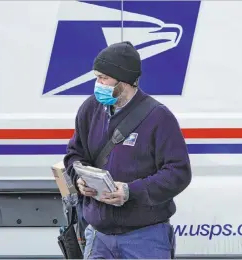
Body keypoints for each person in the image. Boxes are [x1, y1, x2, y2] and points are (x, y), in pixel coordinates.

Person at [63, 41, 192, 259]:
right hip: (98, 236)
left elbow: (178, 172)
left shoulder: (159, 117)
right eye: (97, 77)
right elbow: (74, 155)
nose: (98, 84)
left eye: (103, 78)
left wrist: (131, 192)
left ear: (124, 81)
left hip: (145, 238)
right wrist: (80, 179)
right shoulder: (89, 109)